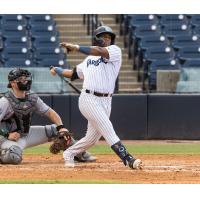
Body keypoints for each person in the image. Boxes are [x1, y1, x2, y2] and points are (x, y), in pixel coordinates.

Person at [50, 25, 142, 169]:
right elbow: (74, 74)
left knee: (91, 139)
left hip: (106, 101)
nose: (106, 39)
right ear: (96, 39)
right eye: (103, 37)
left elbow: (99, 51)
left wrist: (76, 47)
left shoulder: (114, 51)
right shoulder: (88, 60)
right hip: (88, 99)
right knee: (107, 127)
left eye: (108, 37)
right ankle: (128, 158)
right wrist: (58, 69)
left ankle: (69, 153)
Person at [0, 68, 96, 164]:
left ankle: (79, 153)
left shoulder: (32, 98)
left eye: (26, 78)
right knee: (13, 157)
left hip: (27, 134)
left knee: (57, 130)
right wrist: (7, 134)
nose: (25, 81)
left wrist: (61, 127)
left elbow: (50, 112)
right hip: (8, 139)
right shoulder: (5, 101)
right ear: (13, 83)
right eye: (21, 79)